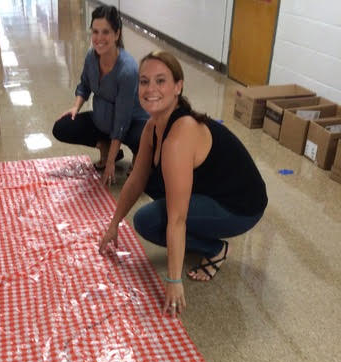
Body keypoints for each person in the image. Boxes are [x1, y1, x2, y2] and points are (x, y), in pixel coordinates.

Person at [99, 50, 267, 315]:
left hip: (241, 207)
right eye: (144, 81)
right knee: (150, 202)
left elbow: (176, 219)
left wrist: (174, 280)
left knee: (151, 220)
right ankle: (200, 236)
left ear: (178, 86)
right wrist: (113, 225)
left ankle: (216, 248)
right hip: (213, 191)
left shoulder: (179, 136)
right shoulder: (152, 126)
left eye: (161, 81)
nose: (150, 89)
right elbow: (136, 179)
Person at [52, 5, 148, 186]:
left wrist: (110, 162)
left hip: (132, 123)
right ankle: (105, 145)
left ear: (117, 34)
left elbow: (122, 121)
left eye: (105, 32)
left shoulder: (127, 70)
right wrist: (75, 107)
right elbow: (84, 84)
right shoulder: (91, 56)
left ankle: (139, 156)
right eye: (95, 32)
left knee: (142, 138)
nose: (99, 38)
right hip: (103, 119)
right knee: (62, 126)